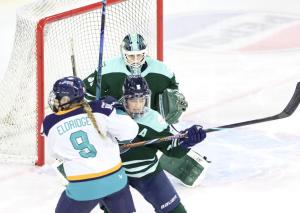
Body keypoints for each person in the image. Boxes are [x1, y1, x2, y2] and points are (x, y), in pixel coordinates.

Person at [83, 33, 209, 187]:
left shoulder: (162, 70)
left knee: (156, 140)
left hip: (149, 119)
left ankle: (160, 151)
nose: (135, 60)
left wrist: (172, 105)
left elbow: (173, 91)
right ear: (123, 53)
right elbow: (86, 93)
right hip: (117, 120)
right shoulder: (107, 69)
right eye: (131, 56)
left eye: (139, 55)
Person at [102, 75, 207, 213]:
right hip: (115, 173)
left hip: (147, 172)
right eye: (134, 100)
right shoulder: (111, 114)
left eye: (142, 99)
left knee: (176, 211)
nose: (139, 104)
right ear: (125, 98)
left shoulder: (153, 119)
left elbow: (172, 149)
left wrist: (187, 141)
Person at [41, 76, 139, 213]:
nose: (55, 100)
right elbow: (130, 132)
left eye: (58, 97)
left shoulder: (50, 123)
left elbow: (54, 154)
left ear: (65, 100)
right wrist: (118, 109)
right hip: (116, 181)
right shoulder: (100, 109)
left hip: (83, 188)